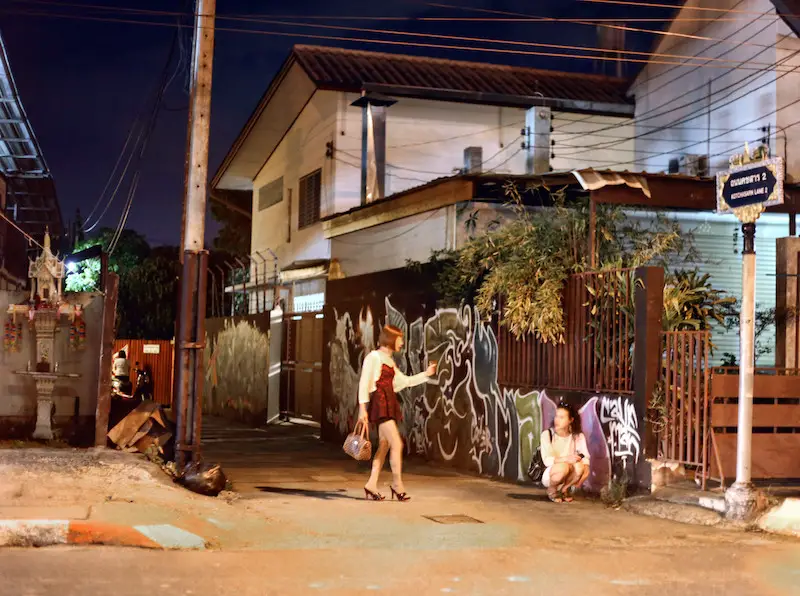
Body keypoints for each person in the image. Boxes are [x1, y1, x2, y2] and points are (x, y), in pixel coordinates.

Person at [358, 325, 436, 502]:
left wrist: (426, 374)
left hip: (388, 404)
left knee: (385, 445)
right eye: (399, 338)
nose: (402, 342)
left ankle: (371, 484)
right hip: (380, 405)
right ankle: (397, 484)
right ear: (391, 338)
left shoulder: (389, 360)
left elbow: (404, 382)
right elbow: (364, 383)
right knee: (397, 444)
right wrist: (362, 409)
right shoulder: (374, 357)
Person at [540, 402, 591, 503]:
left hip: (569, 474)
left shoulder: (577, 436)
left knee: (581, 466)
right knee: (563, 467)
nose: (557, 420)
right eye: (556, 416)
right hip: (551, 473)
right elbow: (547, 460)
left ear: (571, 420)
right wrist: (566, 459)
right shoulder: (547, 434)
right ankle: (552, 490)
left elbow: (585, 457)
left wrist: (585, 468)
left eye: (562, 417)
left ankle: (564, 489)